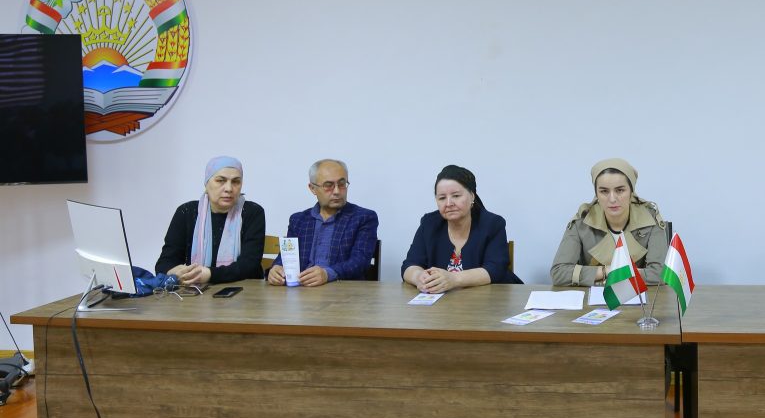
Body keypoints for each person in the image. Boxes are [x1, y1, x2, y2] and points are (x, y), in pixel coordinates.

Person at [401, 165, 521, 293]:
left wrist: (454, 279)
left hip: (488, 299)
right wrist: (419, 277)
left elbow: (496, 269)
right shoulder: (429, 224)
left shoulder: (493, 224)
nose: (449, 203)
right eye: (442, 198)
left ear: (472, 196)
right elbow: (409, 265)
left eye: (456, 196)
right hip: (444, 303)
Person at [550, 158, 669, 287]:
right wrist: (606, 271)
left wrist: (610, 274)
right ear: (596, 194)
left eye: (620, 190)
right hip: (592, 297)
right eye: (604, 191)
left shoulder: (650, 220)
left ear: (631, 192)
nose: (612, 199)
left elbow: (660, 274)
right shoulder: (581, 223)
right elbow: (559, 273)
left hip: (638, 296)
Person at [155, 156, 266, 285]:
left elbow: (249, 266)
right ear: (206, 183)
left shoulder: (252, 212)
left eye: (236, 182)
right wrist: (175, 272)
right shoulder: (186, 212)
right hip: (196, 291)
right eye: (220, 181)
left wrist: (209, 274)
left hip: (244, 291)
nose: (229, 188)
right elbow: (164, 263)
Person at [267, 159, 379, 287]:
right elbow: (286, 256)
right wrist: (277, 268)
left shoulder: (363, 217)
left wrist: (327, 274)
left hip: (343, 291)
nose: (337, 191)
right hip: (301, 291)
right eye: (328, 185)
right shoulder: (298, 220)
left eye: (342, 184)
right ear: (312, 188)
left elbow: (360, 262)